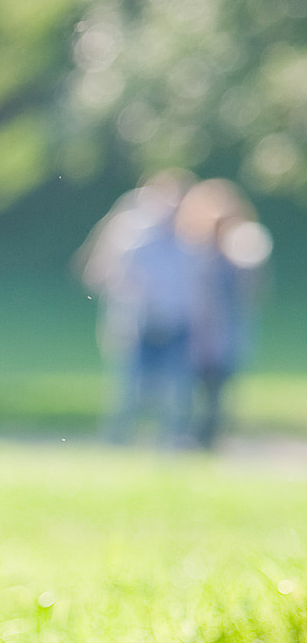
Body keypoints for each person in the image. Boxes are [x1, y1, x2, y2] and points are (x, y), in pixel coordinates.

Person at [76, 171, 196, 445]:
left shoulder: (188, 234)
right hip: (138, 323)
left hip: (176, 323)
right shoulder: (131, 230)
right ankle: (117, 445)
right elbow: (99, 273)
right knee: (129, 393)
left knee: (174, 394)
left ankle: (169, 448)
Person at [177, 177, 272, 450]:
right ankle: (187, 435)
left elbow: (253, 291)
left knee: (216, 388)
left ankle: (207, 439)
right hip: (193, 330)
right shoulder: (191, 248)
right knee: (188, 386)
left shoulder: (241, 249)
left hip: (222, 332)